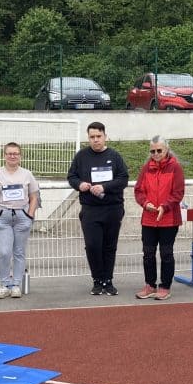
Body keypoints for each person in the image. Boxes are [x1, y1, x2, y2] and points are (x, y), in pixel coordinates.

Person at [67, 121, 129, 295]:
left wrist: (104, 187)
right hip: (90, 209)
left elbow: (123, 179)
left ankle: (108, 281)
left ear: (105, 136)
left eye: (98, 136)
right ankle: (97, 279)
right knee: (93, 245)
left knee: (109, 246)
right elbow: (71, 176)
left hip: (112, 208)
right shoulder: (81, 156)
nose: (95, 140)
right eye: (92, 137)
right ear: (88, 138)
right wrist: (79, 184)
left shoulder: (115, 156)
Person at [133, 135, 184, 300]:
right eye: (152, 151)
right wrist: (145, 203)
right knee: (148, 253)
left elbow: (178, 193)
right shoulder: (146, 168)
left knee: (166, 253)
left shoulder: (175, 167)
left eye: (159, 150)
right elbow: (138, 190)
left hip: (169, 219)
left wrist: (165, 206)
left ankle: (165, 286)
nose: (155, 154)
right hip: (149, 218)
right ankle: (150, 285)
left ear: (166, 149)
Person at [0, 142, 40, 299]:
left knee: (19, 252)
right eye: (9, 153)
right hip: (3, 217)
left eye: (15, 153)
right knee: (4, 252)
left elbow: (34, 196)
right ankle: (5, 284)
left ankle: (16, 284)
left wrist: (29, 215)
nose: (12, 156)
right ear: (4, 155)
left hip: (22, 216)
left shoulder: (27, 174)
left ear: (20, 156)